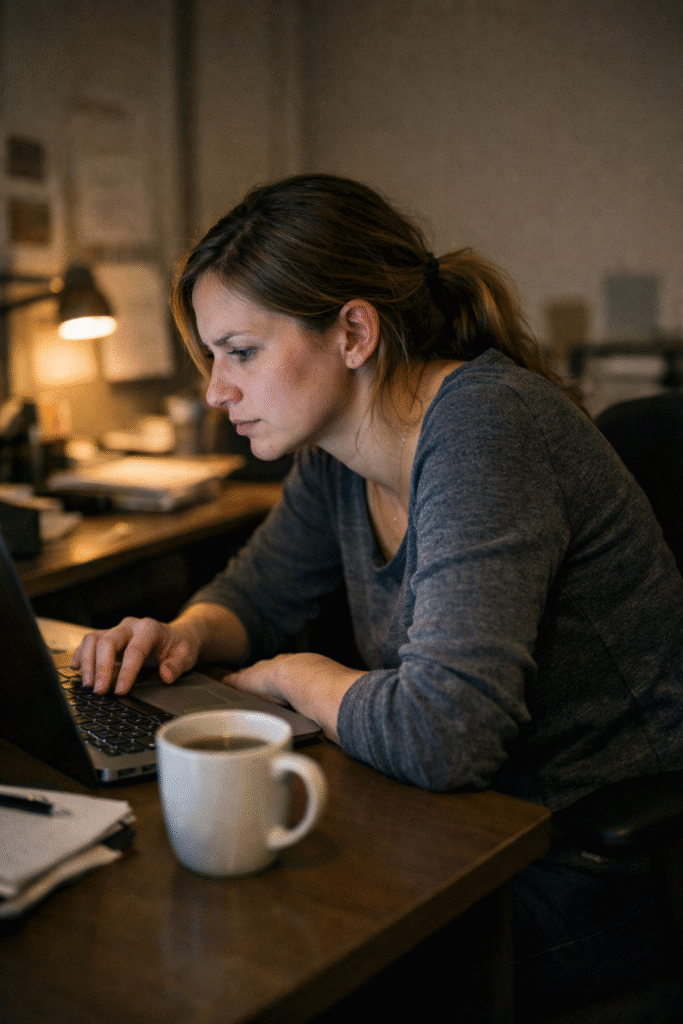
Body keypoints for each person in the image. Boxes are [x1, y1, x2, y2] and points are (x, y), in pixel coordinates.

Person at [73, 174, 683, 1018]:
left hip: (597, 862)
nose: (216, 390)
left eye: (240, 351)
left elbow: (444, 735)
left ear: (353, 332)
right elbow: (256, 592)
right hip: (468, 827)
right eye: (213, 355)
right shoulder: (335, 456)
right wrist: (180, 633)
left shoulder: (486, 430)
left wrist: (292, 676)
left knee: (266, 964)